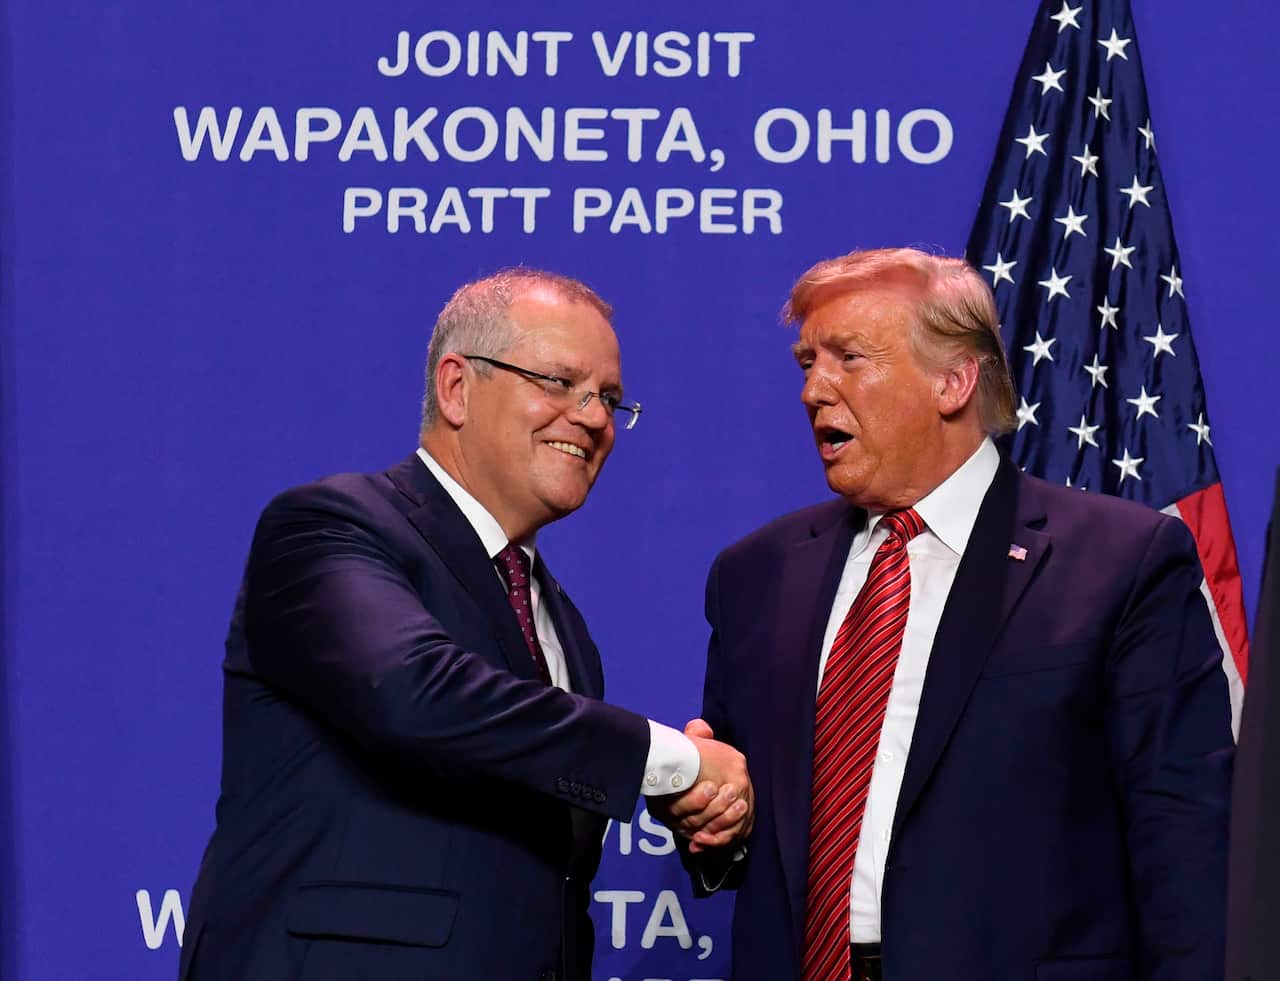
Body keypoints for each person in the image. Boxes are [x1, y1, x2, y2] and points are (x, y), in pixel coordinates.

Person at [662, 248, 1233, 980]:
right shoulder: (756, 574)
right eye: (807, 361)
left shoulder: (1121, 562)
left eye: (849, 357)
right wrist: (716, 818)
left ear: (954, 380)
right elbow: (746, 837)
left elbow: (1185, 843)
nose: (813, 389)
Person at [179, 268, 751, 981]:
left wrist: (702, 809)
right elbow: (413, 691)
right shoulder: (332, 527)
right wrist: (669, 762)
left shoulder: (564, 625)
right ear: (456, 387)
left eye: (608, 397)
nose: (595, 417)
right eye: (559, 381)